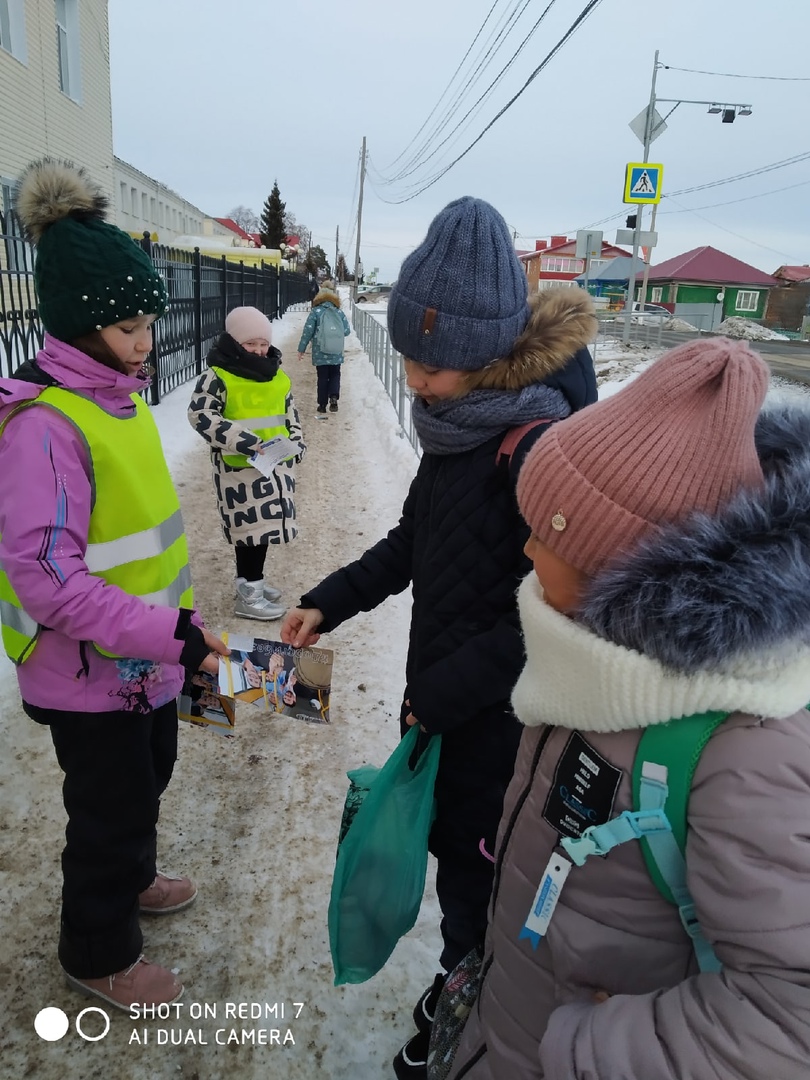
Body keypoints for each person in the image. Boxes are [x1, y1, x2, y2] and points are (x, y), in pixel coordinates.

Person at [280, 196, 598, 1078]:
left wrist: (445, 692)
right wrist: (327, 601)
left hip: (504, 732)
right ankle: (464, 985)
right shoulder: (458, 431)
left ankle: (470, 1023)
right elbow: (414, 544)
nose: (414, 378)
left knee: (486, 888)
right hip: (449, 714)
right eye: (411, 359)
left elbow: (553, 611)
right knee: (459, 872)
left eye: (432, 366)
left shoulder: (536, 450)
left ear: (488, 355)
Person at [446, 338, 810, 1080]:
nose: (524, 544)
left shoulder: (743, 752)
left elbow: (789, 1018)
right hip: (513, 1018)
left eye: (540, 530)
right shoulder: (594, 656)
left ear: (603, 563)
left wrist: (585, 1049)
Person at [0, 159, 230, 1010]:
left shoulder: (118, 403)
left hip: (141, 657)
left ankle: (133, 879)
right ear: (80, 327)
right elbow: (49, 579)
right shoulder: (48, 426)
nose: (146, 343)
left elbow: (144, 548)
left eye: (148, 322)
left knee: (151, 774)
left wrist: (186, 627)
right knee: (108, 812)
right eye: (130, 328)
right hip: (86, 671)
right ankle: (95, 952)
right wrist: (169, 635)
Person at [188, 306, 305, 620]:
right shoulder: (219, 375)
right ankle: (249, 595)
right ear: (234, 341)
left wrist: (296, 441)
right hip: (239, 469)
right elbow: (200, 415)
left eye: (263, 343)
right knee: (249, 532)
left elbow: (290, 412)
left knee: (263, 531)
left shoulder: (276, 375)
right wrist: (243, 439)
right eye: (250, 343)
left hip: (275, 465)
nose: (259, 349)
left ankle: (250, 583)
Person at [296, 279, 350, 416]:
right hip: (336, 351)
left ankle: (322, 405)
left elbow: (308, 331)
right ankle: (333, 396)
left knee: (322, 377)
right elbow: (347, 331)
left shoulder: (316, 311)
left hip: (320, 351)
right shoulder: (339, 312)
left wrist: (301, 349)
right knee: (335, 374)